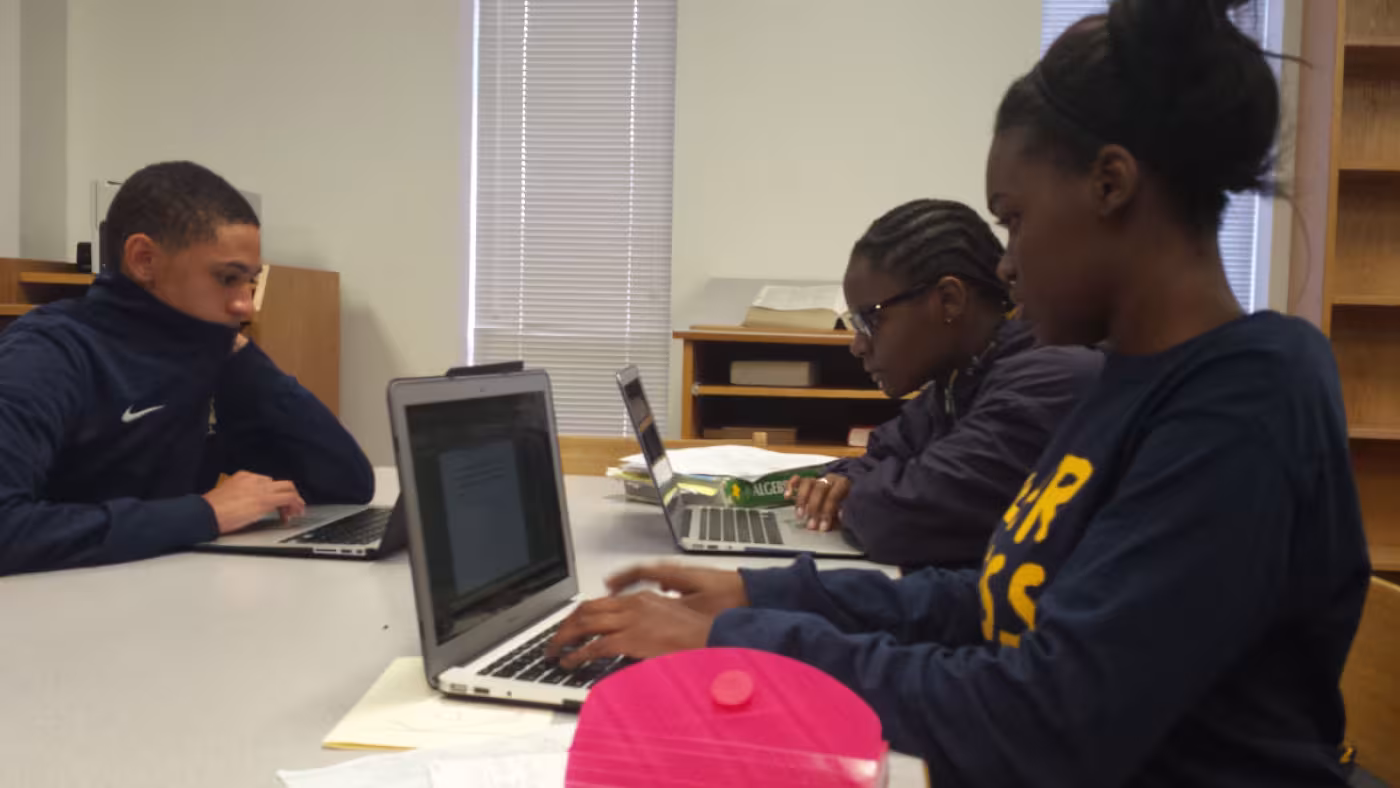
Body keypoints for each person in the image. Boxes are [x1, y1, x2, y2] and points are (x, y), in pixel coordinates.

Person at [549, 1, 1371, 784]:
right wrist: (761, 593)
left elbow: (1043, 721)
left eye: (1012, 219)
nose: (1005, 265)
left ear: (1110, 186)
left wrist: (745, 641)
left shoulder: (1245, 399)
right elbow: (995, 600)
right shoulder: (1126, 382)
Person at [0, 161, 375, 576]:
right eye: (227, 278)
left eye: (250, 281)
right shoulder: (49, 353)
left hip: (165, 597)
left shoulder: (210, 353)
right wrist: (204, 515)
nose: (245, 304)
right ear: (144, 260)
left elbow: (347, 484)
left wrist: (241, 355)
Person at [784, 199, 1100, 569]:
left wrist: (851, 496)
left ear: (949, 300)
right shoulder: (960, 379)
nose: (857, 345)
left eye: (870, 320)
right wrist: (839, 483)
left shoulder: (1048, 377)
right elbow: (882, 455)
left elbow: (904, 520)